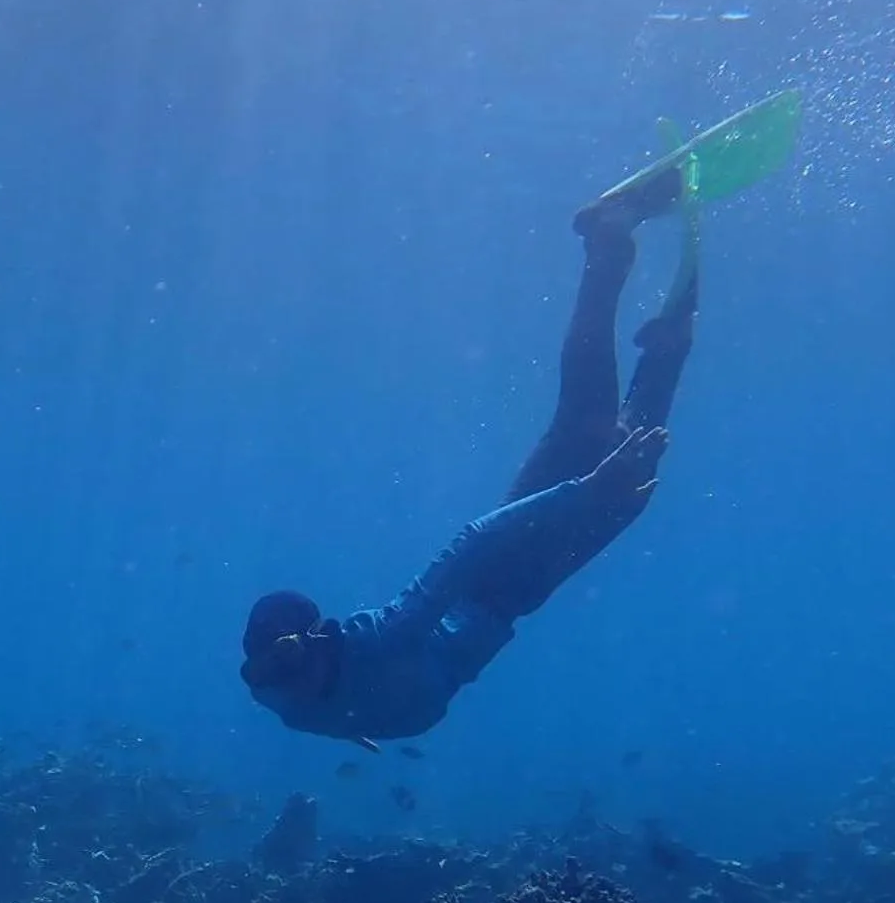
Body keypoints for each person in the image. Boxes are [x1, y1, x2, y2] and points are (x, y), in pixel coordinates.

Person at [240, 167, 701, 746]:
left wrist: (587, 490)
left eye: (282, 661)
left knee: (589, 430)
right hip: (517, 600)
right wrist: (353, 723)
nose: (282, 682)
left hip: (497, 574)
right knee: (634, 479)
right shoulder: (279, 699)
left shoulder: (385, 639)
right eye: (262, 673)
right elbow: (313, 708)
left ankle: (607, 240)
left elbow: (475, 541)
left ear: (315, 639)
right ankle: (668, 347)